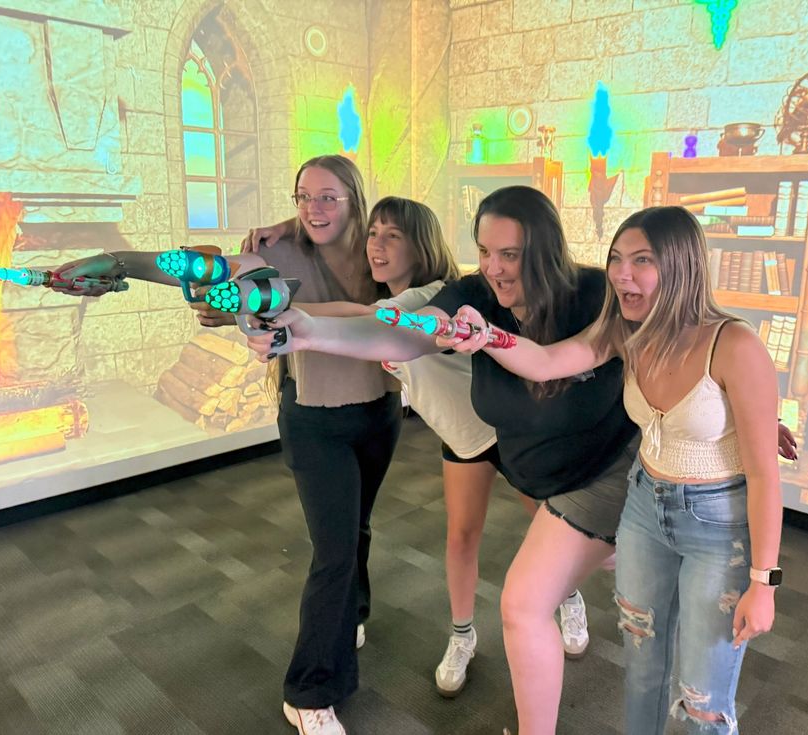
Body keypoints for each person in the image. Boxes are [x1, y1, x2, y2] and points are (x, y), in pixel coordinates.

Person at [243, 187, 795, 735]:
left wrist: (746, 427)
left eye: (510, 254)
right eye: (485, 252)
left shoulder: (605, 297)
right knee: (640, 657)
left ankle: (583, 589)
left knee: (696, 687)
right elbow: (538, 360)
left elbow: (705, 371)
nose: (495, 268)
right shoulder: (522, 303)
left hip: (637, 486)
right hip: (582, 481)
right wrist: (306, 330)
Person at [50, 155, 400, 735]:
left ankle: (352, 614)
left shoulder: (380, 246)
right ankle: (309, 692)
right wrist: (121, 262)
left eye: (328, 197)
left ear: (356, 199)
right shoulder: (277, 252)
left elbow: (426, 282)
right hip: (315, 420)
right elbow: (204, 270)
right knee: (334, 551)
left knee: (357, 527)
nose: (313, 209)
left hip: (380, 411)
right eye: (302, 197)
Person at [448, 205, 785, 734]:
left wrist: (764, 582)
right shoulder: (627, 332)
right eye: (616, 259)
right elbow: (545, 361)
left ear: (681, 267)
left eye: (642, 261)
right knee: (642, 672)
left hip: (717, 528)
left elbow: (765, 475)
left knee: (702, 697)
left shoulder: (734, 345)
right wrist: (488, 335)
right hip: (645, 509)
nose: (621, 274)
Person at [241, 196, 588, 700]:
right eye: (373, 234)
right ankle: (462, 637)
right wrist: (283, 298)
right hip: (461, 439)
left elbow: (386, 327)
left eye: (392, 236)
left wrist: (298, 323)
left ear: (418, 244)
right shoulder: (388, 300)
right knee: (460, 538)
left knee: (550, 531)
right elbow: (361, 313)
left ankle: (570, 595)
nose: (376, 246)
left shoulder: (433, 295)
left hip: (507, 431)